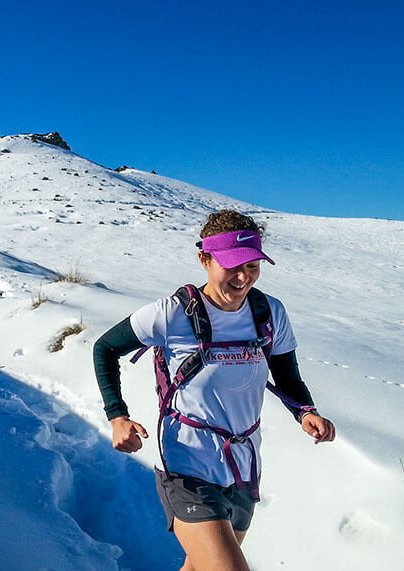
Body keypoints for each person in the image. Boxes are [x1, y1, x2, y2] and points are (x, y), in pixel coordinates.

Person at [93, 210, 335, 571]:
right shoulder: (171, 314)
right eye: (233, 265)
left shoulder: (268, 312)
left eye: (253, 265)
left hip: (242, 466)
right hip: (186, 465)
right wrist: (117, 416)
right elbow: (105, 348)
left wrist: (306, 412)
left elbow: (287, 373)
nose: (243, 277)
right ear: (204, 259)